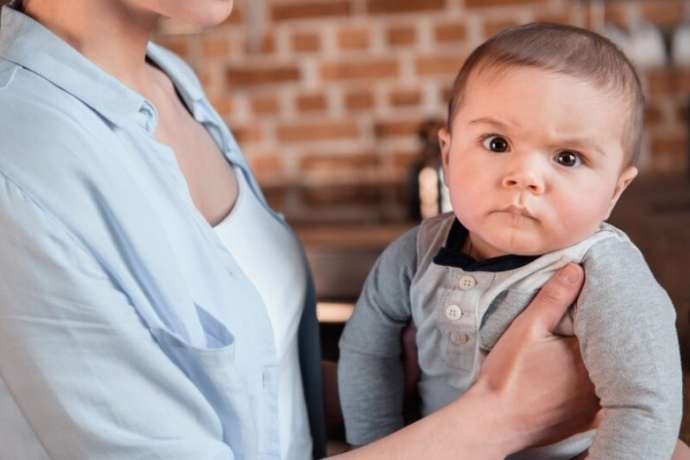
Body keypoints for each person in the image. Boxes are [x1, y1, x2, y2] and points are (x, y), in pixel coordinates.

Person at [0, 1, 639, 458]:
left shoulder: (168, 83)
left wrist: (607, 415)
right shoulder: (23, 156)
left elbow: (253, 389)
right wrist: (496, 419)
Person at [338, 23, 685, 460]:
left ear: (615, 190)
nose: (524, 176)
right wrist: (376, 442)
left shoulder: (604, 273)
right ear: (447, 155)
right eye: (497, 143)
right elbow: (365, 350)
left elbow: (644, 405)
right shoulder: (416, 252)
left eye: (567, 158)